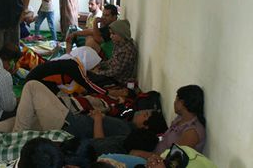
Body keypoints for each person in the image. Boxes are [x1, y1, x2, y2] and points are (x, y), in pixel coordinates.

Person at [13, 80, 166, 140]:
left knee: (32, 86)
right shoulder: (126, 121)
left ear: (145, 126)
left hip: (66, 123)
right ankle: (14, 134)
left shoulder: (127, 133)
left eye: (145, 114)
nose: (140, 112)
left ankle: (17, 138)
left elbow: (99, 143)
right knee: (6, 125)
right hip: (70, 118)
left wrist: (98, 120)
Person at [131, 85, 206, 159]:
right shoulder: (180, 118)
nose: (174, 103)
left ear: (182, 103)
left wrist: (144, 155)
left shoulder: (192, 132)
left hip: (158, 161)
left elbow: (172, 159)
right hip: (154, 153)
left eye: (176, 100)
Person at [88, 19, 138, 87]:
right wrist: (99, 65)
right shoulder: (118, 44)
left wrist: (98, 72)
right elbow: (111, 61)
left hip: (118, 80)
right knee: (88, 73)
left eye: (113, 34)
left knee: (90, 81)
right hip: (111, 75)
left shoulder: (127, 50)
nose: (110, 36)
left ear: (122, 34)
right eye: (110, 33)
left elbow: (116, 71)